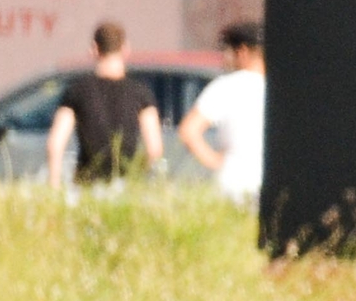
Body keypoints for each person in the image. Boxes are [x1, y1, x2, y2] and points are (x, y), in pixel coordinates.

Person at [48, 21, 163, 187]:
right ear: (125, 49)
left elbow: (55, 144)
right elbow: (155, 149)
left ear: (94, 48)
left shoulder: (77, 91)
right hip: (126, 187)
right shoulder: (141, 93)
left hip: (87, 184)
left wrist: (54, 186)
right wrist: (134, 174)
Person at [180, 21, 267, 202]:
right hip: (267, 186)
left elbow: (188, 131)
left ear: (241, 52)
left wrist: (216, 161)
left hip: (232, 184)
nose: (224, 59)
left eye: (227, 52)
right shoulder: (279, 90)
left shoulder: (225, 86)